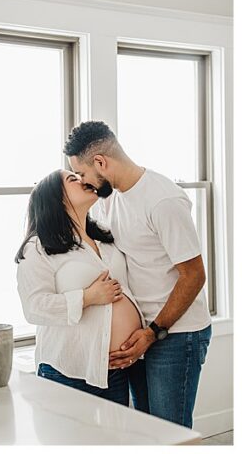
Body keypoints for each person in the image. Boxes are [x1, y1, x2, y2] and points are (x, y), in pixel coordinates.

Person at [64, 121, 209, 428]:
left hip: (175, 334)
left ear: (101, 162)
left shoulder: (162, 200)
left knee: (170, 433)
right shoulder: (108, 200)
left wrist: (154, 332)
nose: (84, 182)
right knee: (146, 431)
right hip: (141, 335)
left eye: (83, 173)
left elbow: (194, 275)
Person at [16, 169, 145, 405]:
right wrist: (88, 297)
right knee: (71, 441)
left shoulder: (104, 239)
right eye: (72, 179)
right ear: (55, 197)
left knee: (113, 441)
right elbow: (34, 307)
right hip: (69, 371)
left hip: (114, 369)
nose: (83, 180)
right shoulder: (38, 247)